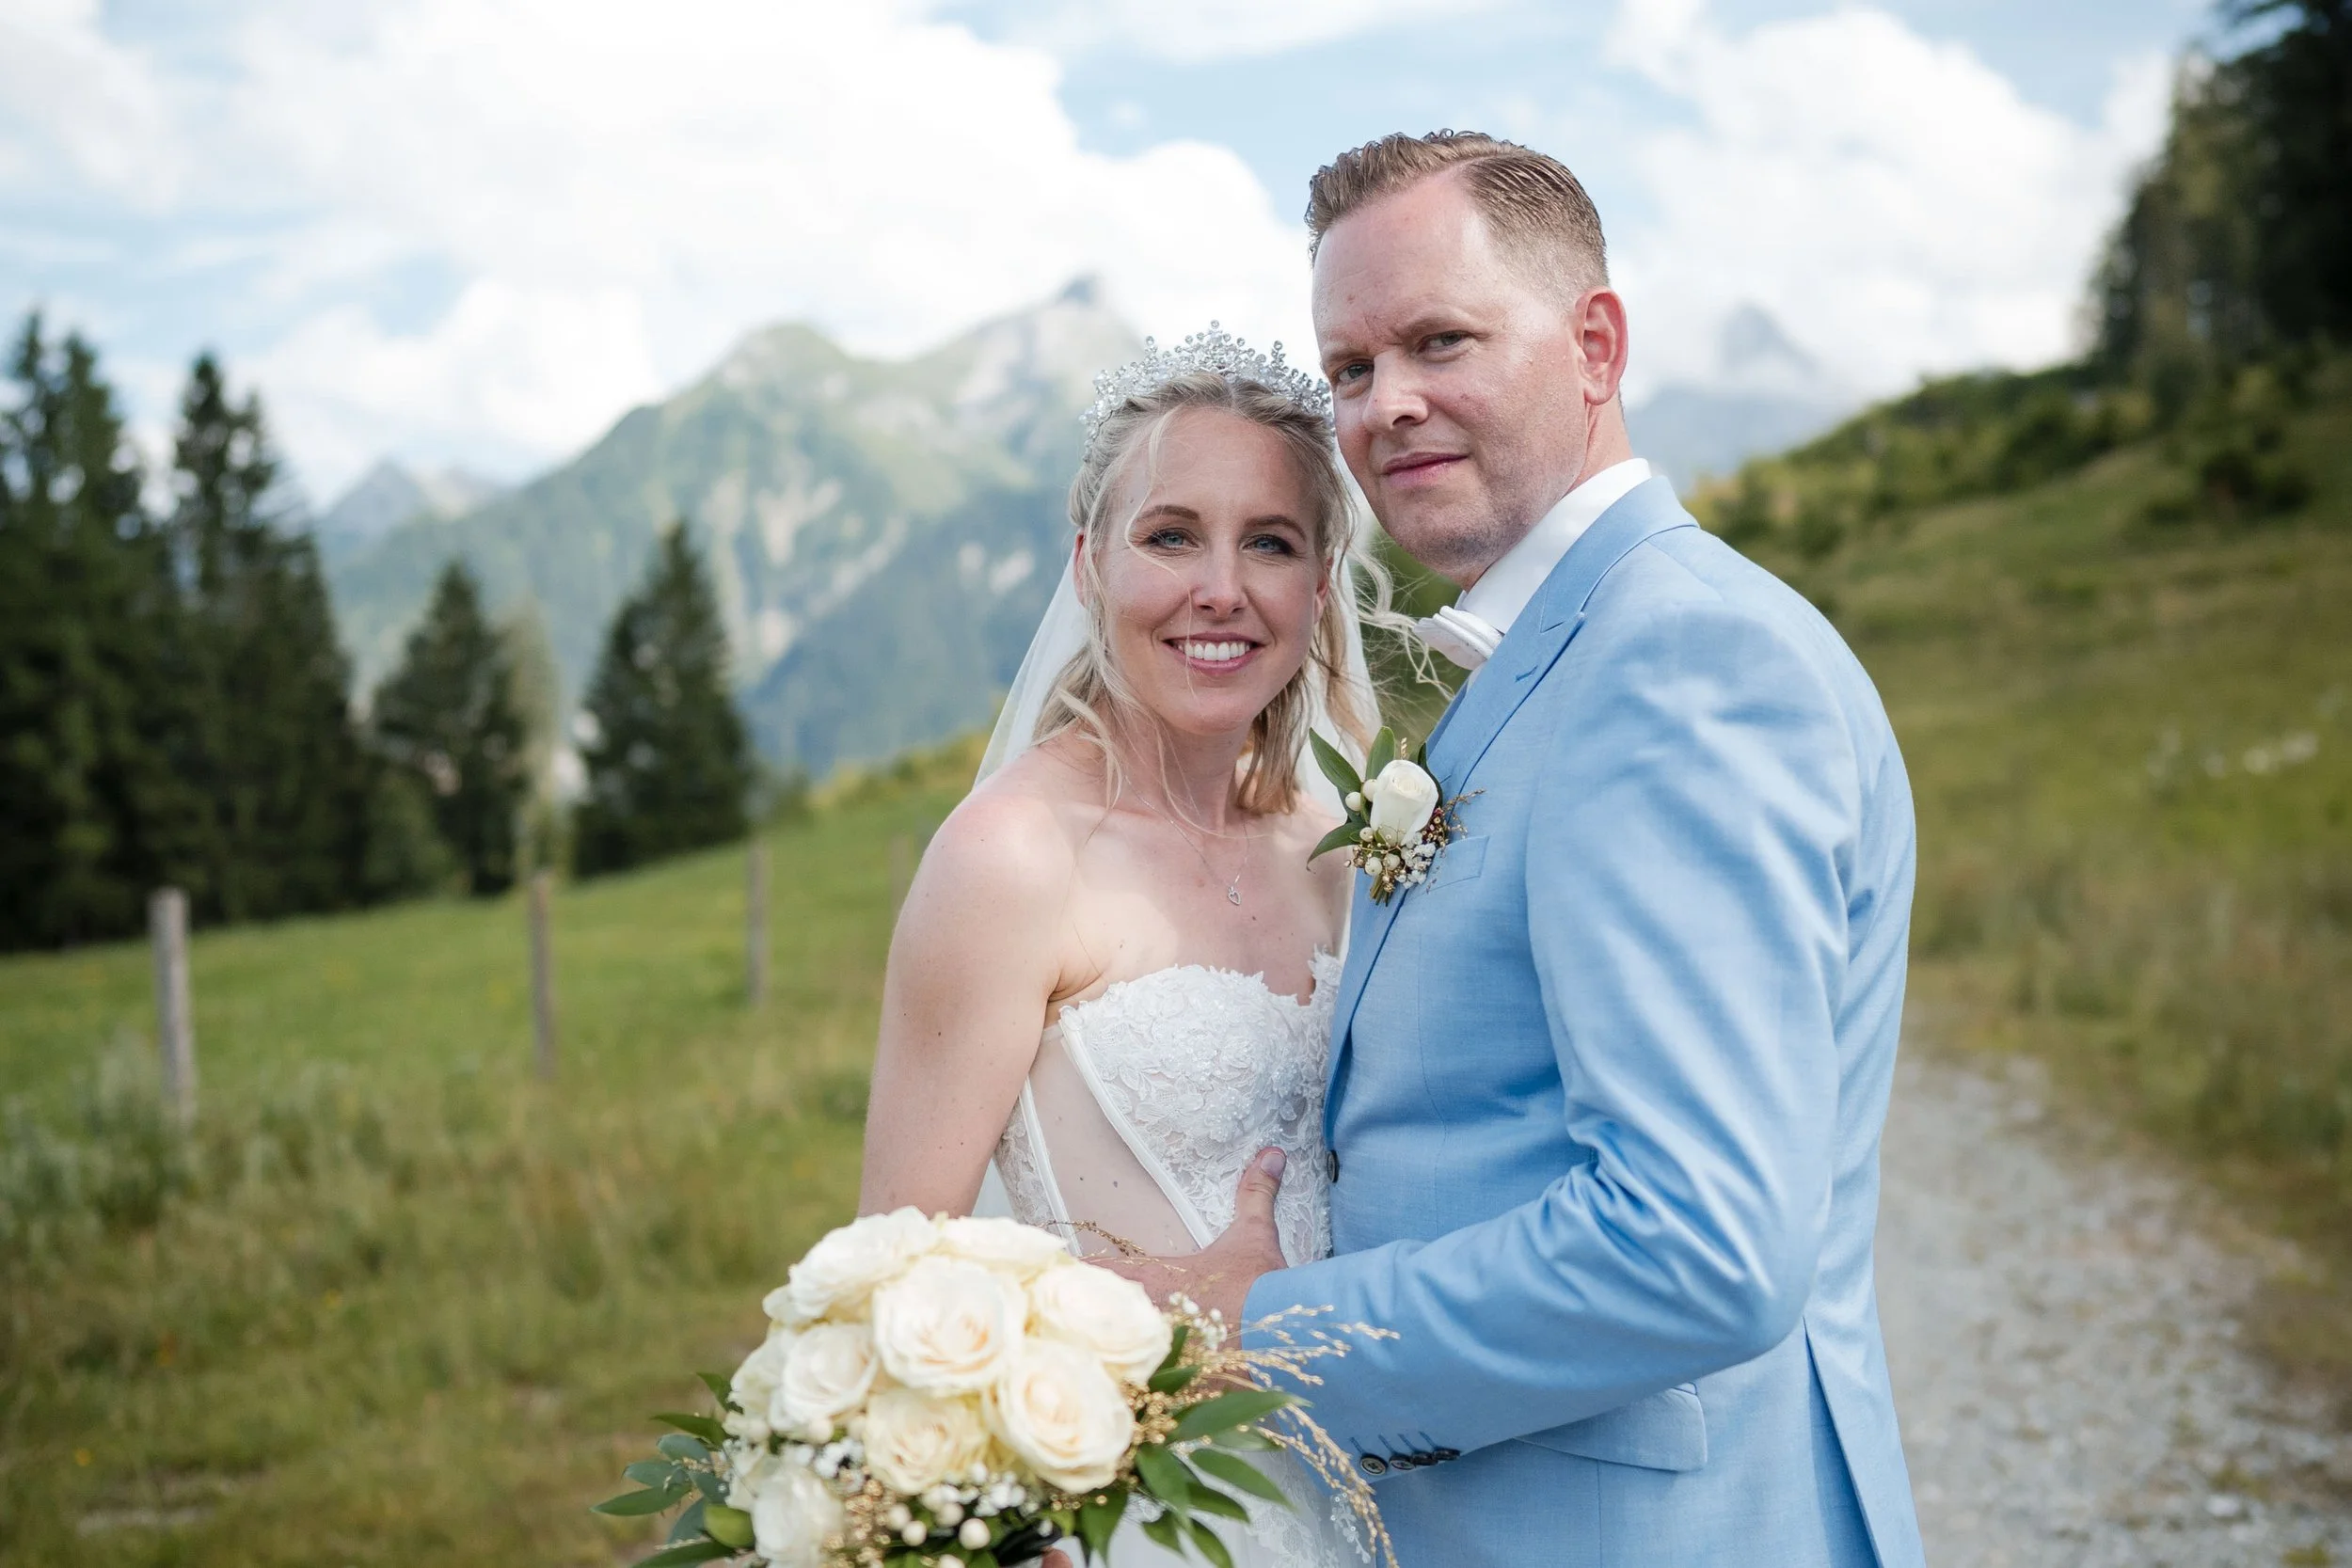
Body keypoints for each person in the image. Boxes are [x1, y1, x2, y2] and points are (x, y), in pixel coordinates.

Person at [1087, 132, 1929, 1567]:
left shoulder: (1679, 662)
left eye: (1439, 341)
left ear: (1595, 345)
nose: (1386, 406)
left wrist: (1257, 1327)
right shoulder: (1569, 647)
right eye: (1349, 370)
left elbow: (1697, 1246)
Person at [858, 342, 1377, 1566]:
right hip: (1143, 1512)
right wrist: (1164, 1313)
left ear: (1320, 580)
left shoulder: (1334, 849)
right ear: (1090, 563)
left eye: (1270, 541)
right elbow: (895, 1268)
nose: (1222, 588)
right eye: (1171, 536)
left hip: (1370, 1492)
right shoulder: (1013, 858)